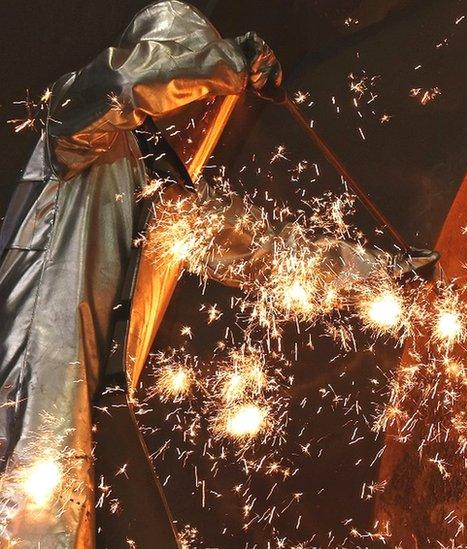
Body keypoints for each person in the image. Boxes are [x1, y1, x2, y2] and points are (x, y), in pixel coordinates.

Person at [0, 2, 436, 546]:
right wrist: (229, 61)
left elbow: (269, 257)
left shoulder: (172, 206)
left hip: (75, 420)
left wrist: (385, 276)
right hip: (22, 382)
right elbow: (122, 82)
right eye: (196, 90)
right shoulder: (74, 134)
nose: (203, 115)